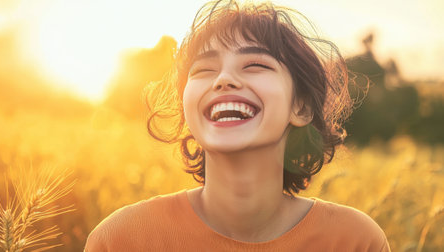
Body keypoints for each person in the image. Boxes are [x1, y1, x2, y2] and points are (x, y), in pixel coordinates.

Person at [85, 0, 390, 251]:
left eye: (255, 65)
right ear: (186, 105)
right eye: (204, 69)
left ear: (301, 107)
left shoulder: (356, 241)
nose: (223, 79)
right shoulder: (121, 240)